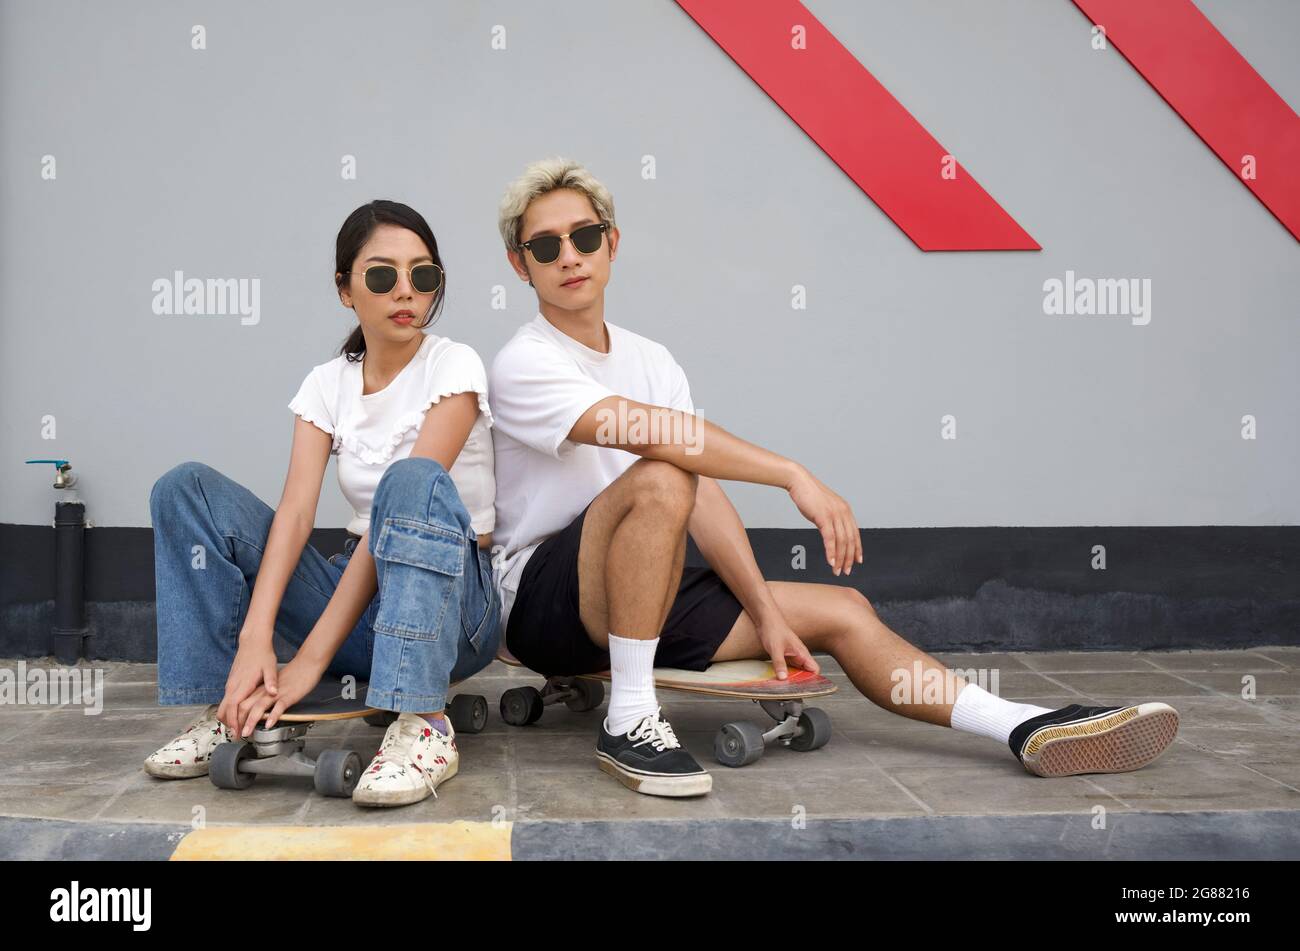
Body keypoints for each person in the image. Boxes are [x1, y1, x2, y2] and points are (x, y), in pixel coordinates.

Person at [488, 157, 1180, 797]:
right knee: (664, 473)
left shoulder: (652, 358)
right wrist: (791, 472)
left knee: (844, 610)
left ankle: (1023, 724)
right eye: (545, 246)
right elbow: (657, 441)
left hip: (639, 583)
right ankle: (629, 721)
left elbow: (704, 496)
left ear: (612, 242)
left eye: (583, 235)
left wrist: (762, 610)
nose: (568, 256)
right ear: (522, 266)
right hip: (546, 602)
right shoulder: (524, 361)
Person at [144, 200, 499, 807]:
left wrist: (309, 662)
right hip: (358, 605)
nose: (405, 291)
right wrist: (257, 639)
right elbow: (296, 515)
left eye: (424, 275)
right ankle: (229, 705)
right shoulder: (327, 382)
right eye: (383, 275)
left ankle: (424, 723)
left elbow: (400, 512)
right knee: (185, 487)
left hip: (453, 605)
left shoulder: (454, 365)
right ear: (345, 289)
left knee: (408, 478)